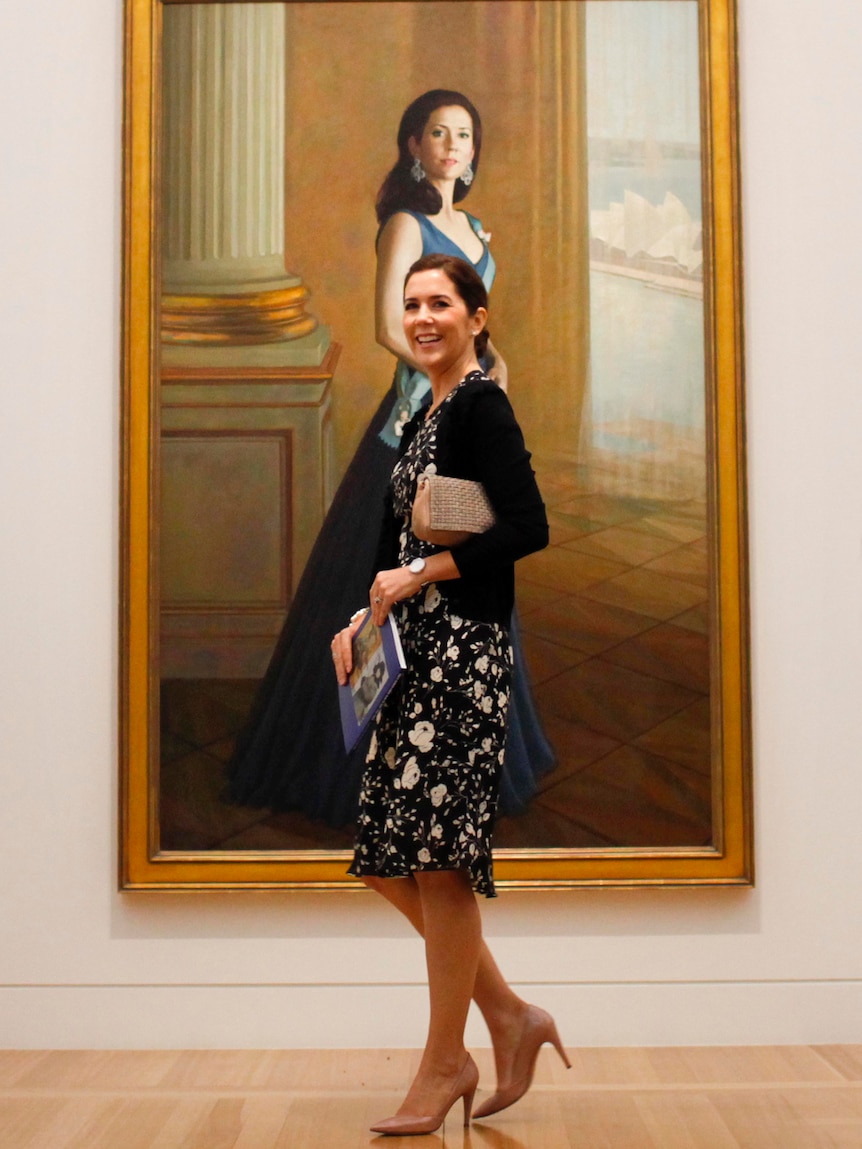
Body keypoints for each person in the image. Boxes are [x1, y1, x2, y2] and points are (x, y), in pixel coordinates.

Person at [228, 89, 553, 826]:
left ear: (474, 151)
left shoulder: (472, 227)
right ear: (413, 144)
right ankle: (363, 766)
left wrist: (491, 372)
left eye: (463, 134)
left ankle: (459, 755)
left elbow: (471, 326)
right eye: (436, 132)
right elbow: (387, 324)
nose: (450, 144)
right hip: (412, 431)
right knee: (387, 586)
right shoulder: (404, 225)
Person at [332, 254, 569, 1134]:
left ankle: (444, 1063)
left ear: (478, 314)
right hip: (409, 653)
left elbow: (529, 527)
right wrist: (365, 613)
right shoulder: (425, 408)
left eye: (441, 303)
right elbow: (401, 540)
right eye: (412, 304)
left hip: (463, 654)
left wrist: (418, 574)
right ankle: (509, 1016)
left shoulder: (480, 405)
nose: (423, 316)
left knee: (440, 858)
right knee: (396, 855)